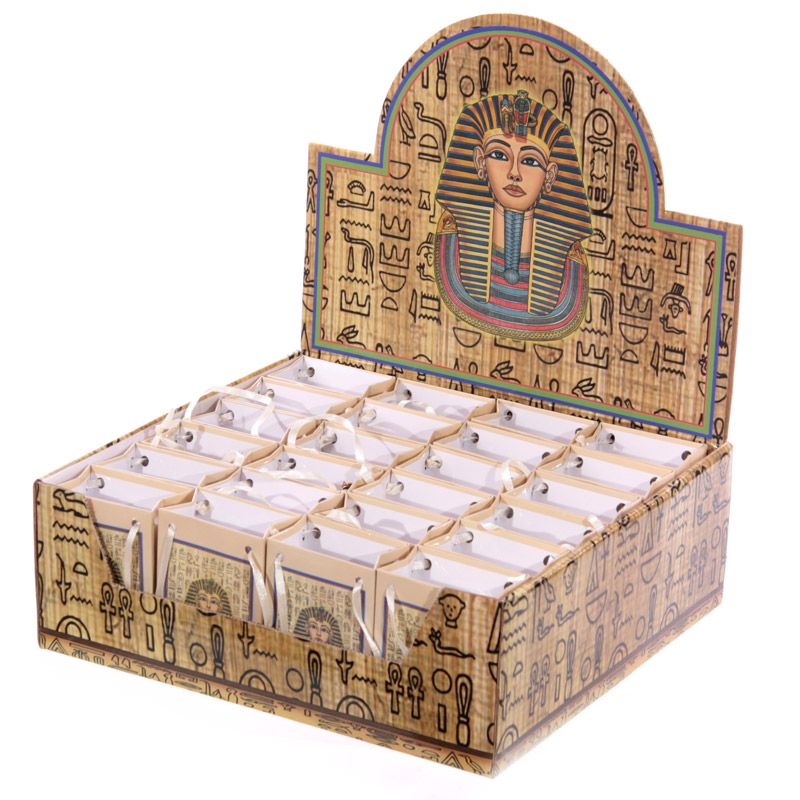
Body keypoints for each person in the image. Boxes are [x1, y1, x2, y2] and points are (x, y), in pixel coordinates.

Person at [434, 90, 593, 340]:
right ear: (479, 162)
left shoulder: (570, 263)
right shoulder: (451, 242)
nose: (514, 173)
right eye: (499, 155)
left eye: (530, 161)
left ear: (550, 175)